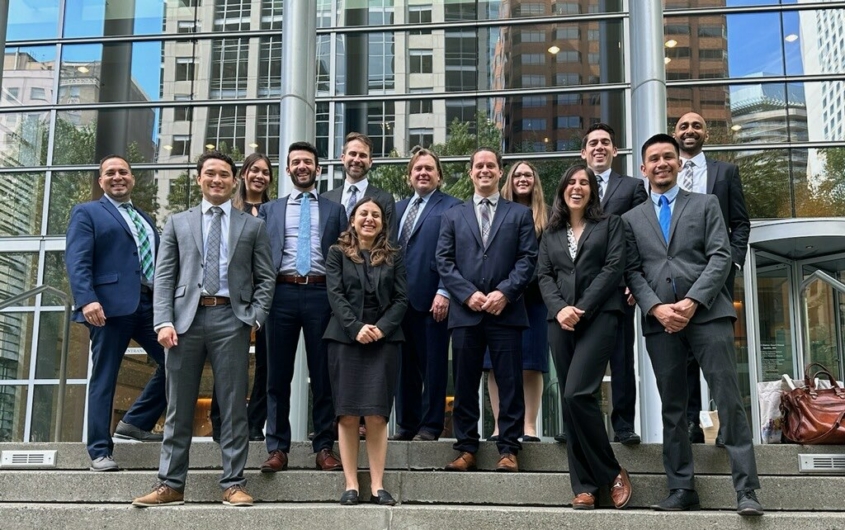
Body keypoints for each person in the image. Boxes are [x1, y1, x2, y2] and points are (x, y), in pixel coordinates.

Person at [623, 134, 762, 516]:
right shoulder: (630, 220)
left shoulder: (705, 204)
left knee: (728, 399)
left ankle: (747, 490)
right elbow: (632, 272)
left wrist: (690, 301)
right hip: (660, 324)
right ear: (643, 169)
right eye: (654, 159)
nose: (662, 163)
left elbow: (721, 257)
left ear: (679, 163)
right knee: (673, 408)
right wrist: (656, 308)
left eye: (668, 156)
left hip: (708, 315)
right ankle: (682, 488)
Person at [132, 150, 276, 507]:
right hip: (184, 322)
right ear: (199, 178)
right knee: (179, 406)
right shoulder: (178, 223)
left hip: (232, 319)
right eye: (210, 173)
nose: (217, 180)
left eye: (224, 174)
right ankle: (170, 484)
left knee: (232, 406)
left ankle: (233, 483)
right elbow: (164, 276)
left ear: (234, 180)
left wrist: (255, 316)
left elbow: (266, 276)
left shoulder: (252, 225)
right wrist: (162, 320)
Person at [436, 147, 538, 473]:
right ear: (470, 172)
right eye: (478, 165)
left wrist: (504, 293)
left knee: (509, 382)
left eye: (490, 165)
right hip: (466, 313)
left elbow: (527, 260)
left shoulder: (519, 215)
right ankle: (466, 448)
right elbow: (444, 261)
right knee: (464, 384)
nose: (484, 170)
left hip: (505, 312)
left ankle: (509, 449)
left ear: (499, 172)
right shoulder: (453, 215)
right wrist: (467, 295)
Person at [537, 164, 632, 510]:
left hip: (599, 317)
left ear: (593, 191)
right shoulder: (551, 232)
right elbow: (543, 275)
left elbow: (613, 268)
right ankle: (585, 486)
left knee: (579, 393)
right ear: (562, 189)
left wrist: (581, 307)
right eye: (571, 182)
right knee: (570, 399)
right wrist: (561, 308)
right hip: (559, 321)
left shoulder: (610, 225)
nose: (577, 187)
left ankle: (611, 472)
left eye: (584, 183)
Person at [66, 155, 167, 472]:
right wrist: (86, 300)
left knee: (178, 362)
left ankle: (136, 421)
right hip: (108, 308)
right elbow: (77, 259)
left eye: (123, 171)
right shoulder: (88, 212)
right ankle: (99, 449)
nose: (117, 176)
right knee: (105, 378)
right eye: (110, 173)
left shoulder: (146, 218)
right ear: (101, 181)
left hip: (150, 305)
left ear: (133, 178)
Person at [259, 142, 347, 473]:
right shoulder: (270, 210)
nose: (301, 166)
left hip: (322, 296)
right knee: (277, 376)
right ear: (288, 169)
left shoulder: (335, 210)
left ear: (318, 169)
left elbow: (343, 259)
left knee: (323, 375)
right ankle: (277, 448)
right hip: (280, 294)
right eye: (295, 162)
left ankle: (324, 446)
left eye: (307, 162)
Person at [564, 123, 648, 446]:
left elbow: (639, 236)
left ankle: (624, 424)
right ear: (583, 152)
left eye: (606, 143)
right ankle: (575, 422)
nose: (599, 147)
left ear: (615, 150)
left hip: (617, 291)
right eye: (593, 143)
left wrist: (633, 279)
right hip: (578, 291)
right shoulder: (573, 188)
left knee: (621, 359)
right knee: (577, 361)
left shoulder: (632, 188)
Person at [323, 197, 408, 506]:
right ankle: (350, 485)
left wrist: (381, 328)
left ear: (383, 222)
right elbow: (335, 294)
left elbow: (401, 298)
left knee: (376, 415)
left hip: (384, 341)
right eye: (363, 214)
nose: (369, 219)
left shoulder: (394, 256)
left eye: (375, 215)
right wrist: (356, 327)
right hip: (346, 340)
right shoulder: (336, 253)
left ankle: (376, 485)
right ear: (353, 220)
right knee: (346, 415)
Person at [673, 112, 751, 445]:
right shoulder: (664, 171)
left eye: (696, 126)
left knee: (719, 356)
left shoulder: (726, 172)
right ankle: (692, 423)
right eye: (683, 126)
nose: (689, 131)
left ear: (706, 133)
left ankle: (727, 428)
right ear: (674, 133)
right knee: (683, 354)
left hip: (717, 275)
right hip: (675, 277)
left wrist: (732, 264)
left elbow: (741, 223)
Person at [323, 131, 397, 438]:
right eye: (352, 154)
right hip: (335, 301)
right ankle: (329, 437)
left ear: (371, 161)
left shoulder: (384, 199)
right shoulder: (327, 199)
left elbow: (389, 248)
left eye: (363, 155)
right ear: (342, 158)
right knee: (333, 377)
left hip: (376, 303)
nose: (357, 159)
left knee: (373, 392)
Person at [391, 148, 461, 442]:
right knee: (403, 368)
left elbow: (456, 253)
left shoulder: (453, 207)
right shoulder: (396, 209)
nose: (423, 173)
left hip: (433, 300)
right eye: (418, 168)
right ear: (409, 176)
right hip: (397, 303)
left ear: (439, 176)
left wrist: (445, 291)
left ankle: (431, 426)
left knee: (433, 367)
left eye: (429, 168)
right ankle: (406, 425)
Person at [210, 152, 273, 442]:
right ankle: (220, 421)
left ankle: (253, 424)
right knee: (227, 362)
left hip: (264, 298)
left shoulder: (275, 211)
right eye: (254, 170)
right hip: (231, 298)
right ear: (243, 175)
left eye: (265, 172)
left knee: (264, 364)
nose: (259, 176)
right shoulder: (226, 210)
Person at [483, 161, 548, 443]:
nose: (523, 179)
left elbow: (545, 259)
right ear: (509, 180)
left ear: (535, 181)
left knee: (532, 364)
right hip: (498, 299)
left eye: (528, 175)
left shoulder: (550, 217)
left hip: (534, 299)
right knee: (495, 365)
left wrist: (517, 286)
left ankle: (528, 426)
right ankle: (500, 426)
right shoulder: (497, 213)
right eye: (517, 175)